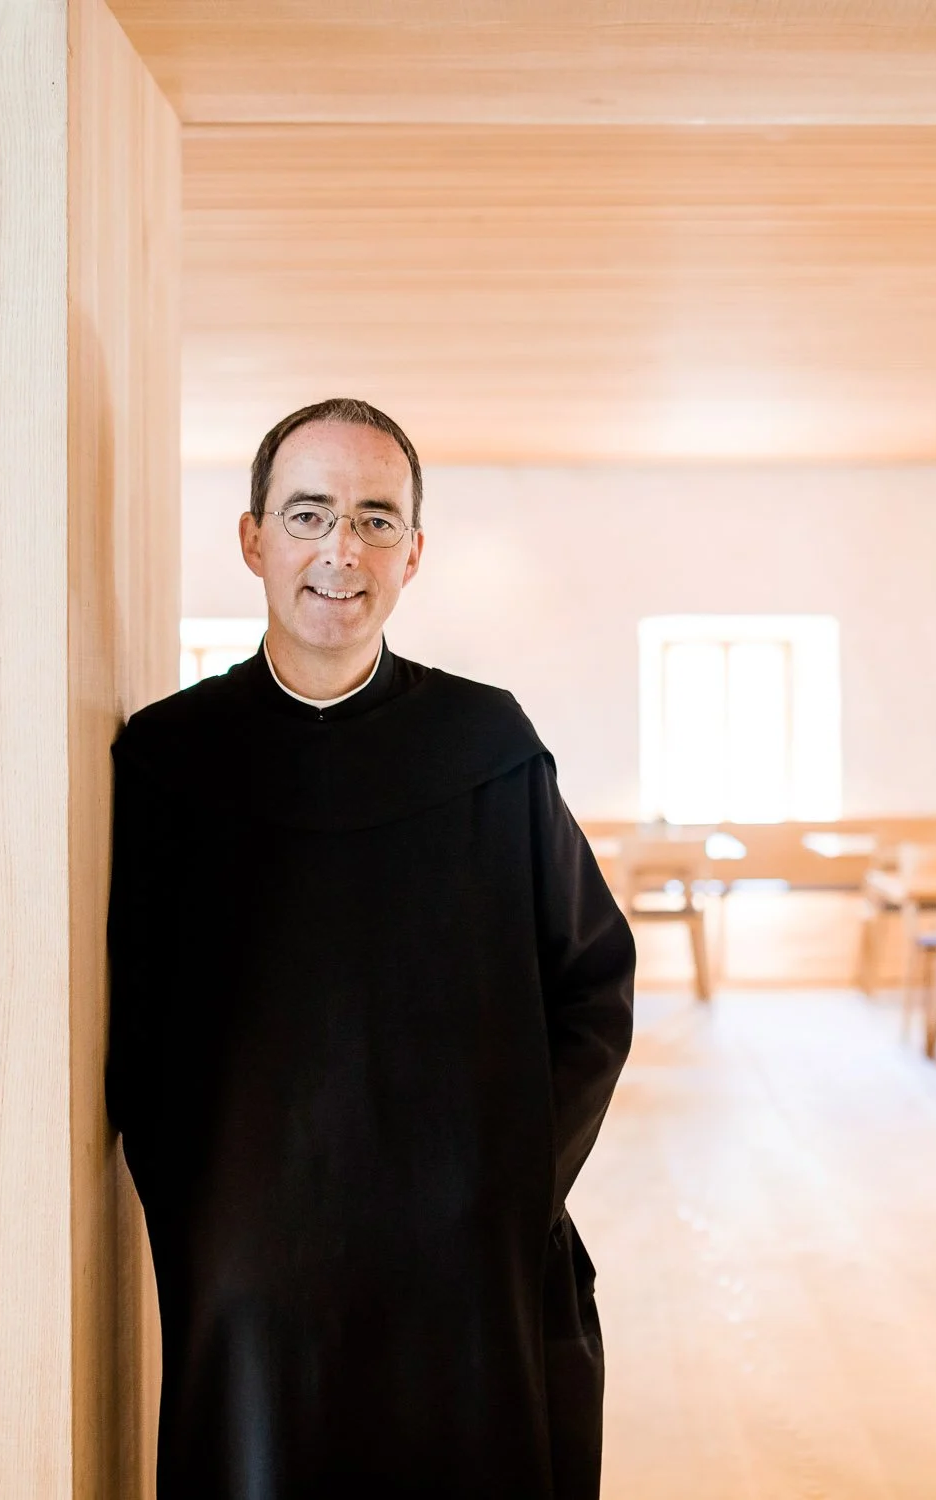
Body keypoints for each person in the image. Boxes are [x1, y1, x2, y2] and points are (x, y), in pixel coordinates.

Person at [106, 398, 636, 1499]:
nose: (340, 551)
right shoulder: (167, 762)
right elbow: (136, 1029)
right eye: (308, 515)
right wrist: (221, 1219)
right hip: (255, 1284)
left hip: (461, 1270)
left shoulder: (489, 747)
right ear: (253, 540)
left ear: (413, 554)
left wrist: (507, 1188)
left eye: (375, 520)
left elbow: (594, 984)